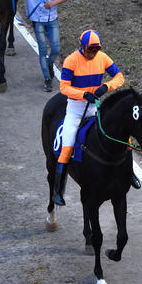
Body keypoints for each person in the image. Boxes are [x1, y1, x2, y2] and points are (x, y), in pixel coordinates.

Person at [53, 29, 125, 205]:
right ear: (82, 47)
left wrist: (106, 87)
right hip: (76, 109)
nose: (93, 53)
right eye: (90, 50)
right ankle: (58, 190)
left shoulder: (102, 57)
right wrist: (83, 94)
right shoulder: (71, 61)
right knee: (67, 146)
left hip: (95, 108)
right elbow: (64, 88)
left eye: (96, 49)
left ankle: (128, 175)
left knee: (124, 137)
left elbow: (119, 77)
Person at [9, 0, 67, 90]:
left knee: (55, 49)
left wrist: (53, 3)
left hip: (51, 18)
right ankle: (47, 79)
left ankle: (49, 63)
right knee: (42, 49)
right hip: (37, 19)